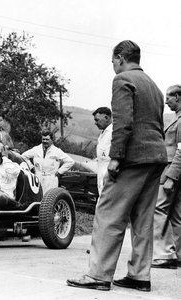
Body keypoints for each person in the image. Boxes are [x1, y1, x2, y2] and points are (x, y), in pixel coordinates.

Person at [67, 40, 167, 292]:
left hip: (132, 158)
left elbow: (123, 122)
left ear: (121, 57)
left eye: (113, 60)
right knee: (143, 220)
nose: (113, 65)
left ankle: (99, 274)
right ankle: (139, 275)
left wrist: (116, 157)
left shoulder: (122, 80)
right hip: (156, 157)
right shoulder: (154, 86)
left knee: (108, 214)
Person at [152, 85, 181, 269]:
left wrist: (171, 177)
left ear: (178, 97)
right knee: (177, 214)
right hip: (174, 170)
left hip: (172, 170)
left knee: (159, 208)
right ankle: (178, 254)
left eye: (169, 97)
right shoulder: (176, 119)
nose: (166, 101)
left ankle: (165, 254)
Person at [0, 142, 23, 210]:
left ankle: (18, 206)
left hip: (6, 197)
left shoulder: (11, 166)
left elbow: (15, 171)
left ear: (2, 156)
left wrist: (5, 159)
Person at [92, 107, 112, 197]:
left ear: (106, 118)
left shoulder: (113, 132)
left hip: (110, 174)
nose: (95, 123)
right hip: (101, 173)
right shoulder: (103, 134)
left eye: (97, 120)